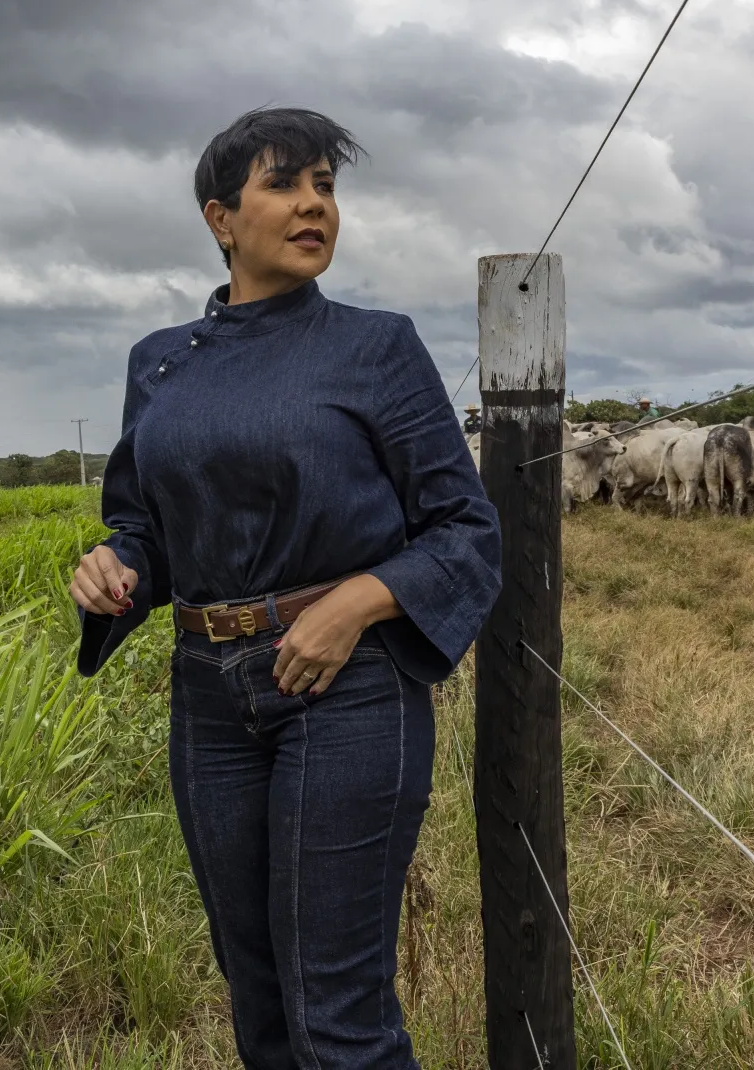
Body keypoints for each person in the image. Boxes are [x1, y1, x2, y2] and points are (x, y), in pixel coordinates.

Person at [70, 108, 500, 1068]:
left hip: (344, 688)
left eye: (327, 188)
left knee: (337, 1009)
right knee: (256, 991)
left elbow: (465, 529)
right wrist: (115, 570)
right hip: (209, 698)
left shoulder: (375, 348)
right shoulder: (161, 362)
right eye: (285, 185)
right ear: (221, 218)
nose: (314, 206)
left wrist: (355, 603)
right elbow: (144, 525)